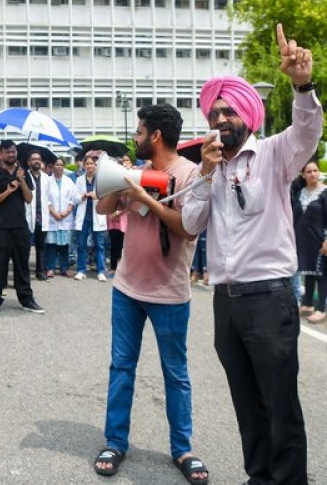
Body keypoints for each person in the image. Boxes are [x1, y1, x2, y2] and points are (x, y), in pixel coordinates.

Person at [182, 24, 321, 485]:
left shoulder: (276, 154)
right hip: (227, 302)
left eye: (229, 111)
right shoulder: (209, 170)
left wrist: (301, 84)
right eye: (214, 112)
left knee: (280, 406)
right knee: (247, 404)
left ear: (248, 115)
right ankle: (259, 477)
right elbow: (188, 224)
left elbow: (307, 131)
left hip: (269, 299)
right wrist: (204, 174)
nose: (221, 119)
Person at [94, 104, 207, 484]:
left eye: (140, 132)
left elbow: (188, 228)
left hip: (171, 294)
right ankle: (115, 441)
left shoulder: (190, 174)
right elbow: (102, 208)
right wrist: (120, 180)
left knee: (175, 374)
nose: (136, 138)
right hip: (127, 289)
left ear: (155, 135)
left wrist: (146, 199)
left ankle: (183, 448)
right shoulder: (135, 172)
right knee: (121, 368)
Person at [0, 139, 44, 316]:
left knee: (22, 265)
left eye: (14, 151)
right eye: (8, 151)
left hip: (20, 226)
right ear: (0, 153)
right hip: (1, 226)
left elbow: (29, 198)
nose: (12, 154)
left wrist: (21, 181)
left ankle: (26, 298)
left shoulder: (23, 172)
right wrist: (8, 191)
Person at [293, 160, 327, 324]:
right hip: (304, 241)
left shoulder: (325, 192)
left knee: (322, 273)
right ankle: (307, 304)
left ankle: (321, 309)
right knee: (308, 272)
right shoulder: (301, 192)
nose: (313, 174)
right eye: (309, 171)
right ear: (303, 175)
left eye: (315, 171)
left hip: (320, 240)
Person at [74, 155, 108, 282]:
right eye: (87, 164)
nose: (90, 166)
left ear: (95, 166)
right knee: (81, 245)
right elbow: (75, 198)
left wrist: (96, 196)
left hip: (97, 216)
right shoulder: (79, 180)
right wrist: (82, 196)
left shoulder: (100, 180)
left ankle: (101, 271)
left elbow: (106, 197)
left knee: (100, 245)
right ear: (83, 166)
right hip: (83, 217)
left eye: (92, 164)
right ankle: (81, 270)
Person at [45, 158, 75, 277]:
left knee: (64, 245)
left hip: (65, 218)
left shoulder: (69, 181)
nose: (60, 167)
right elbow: (45, 199)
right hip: (52, 218)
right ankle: (50, 268)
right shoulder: (47, 181)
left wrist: (66, 212)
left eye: (61, 165)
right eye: (57, 164)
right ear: (52, 167)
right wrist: (54, 213)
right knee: (51, 245)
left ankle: (64, 268)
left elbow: (74, 198)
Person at [25, 151, 51, 281]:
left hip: (42, 215)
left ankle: (40, 271)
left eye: (38, 159)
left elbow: (48, 197)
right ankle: (24, 272)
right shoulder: (25, 176)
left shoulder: (46, 177)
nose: (36, 161)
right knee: (26, 246)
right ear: (29, 162)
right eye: (33, 159)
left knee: (41, 246)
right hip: (28, 215)